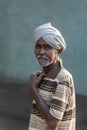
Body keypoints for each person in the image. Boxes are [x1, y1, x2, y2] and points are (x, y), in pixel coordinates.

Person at [28, 23, 76, 130]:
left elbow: (52, 122)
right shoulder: (41, 77)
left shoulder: (63, 78)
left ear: (58, 50)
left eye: (47, 47)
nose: (41, 52)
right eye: (38, 46)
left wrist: (34, 90)